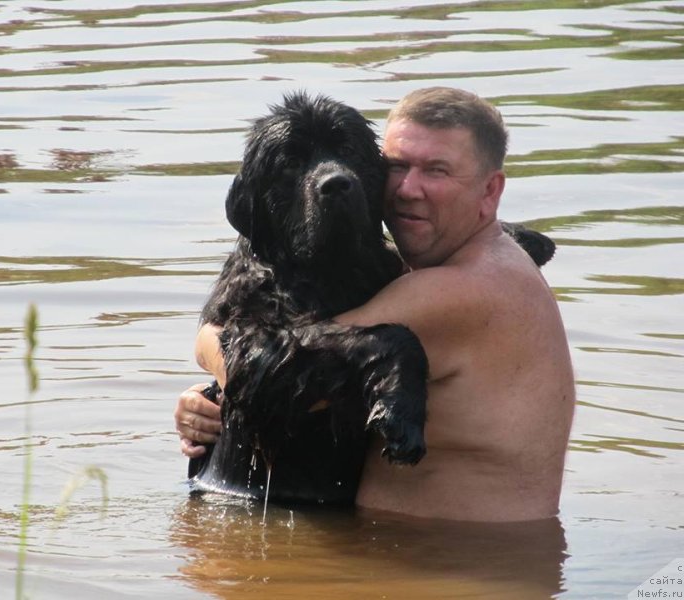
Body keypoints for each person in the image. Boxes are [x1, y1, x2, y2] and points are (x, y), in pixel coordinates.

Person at [175, 87, 575, 522]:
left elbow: (266, 375)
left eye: (437, 171)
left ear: (489, 191)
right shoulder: (484, 260)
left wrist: (210, 347)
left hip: (440, 562)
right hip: (451, 552)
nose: (407, 189)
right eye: (397, 167)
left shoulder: (448, 293)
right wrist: (205, 400)